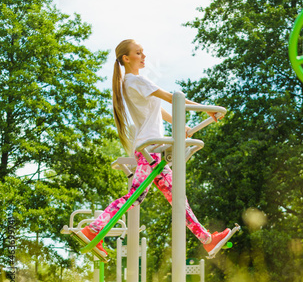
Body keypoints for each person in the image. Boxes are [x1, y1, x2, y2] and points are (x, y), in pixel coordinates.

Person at [74, 39, 231, 261]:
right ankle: (93, 229)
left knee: (177, 197)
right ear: (126, 58)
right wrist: (206, 110)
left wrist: (181, 126)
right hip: (151, 149)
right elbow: (173, 98)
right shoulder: (136, 80)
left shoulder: (131, 83)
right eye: (138, 53)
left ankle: (206, 240)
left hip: (152, 147)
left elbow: (158, 110)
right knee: (135, 196)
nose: (144, 56)